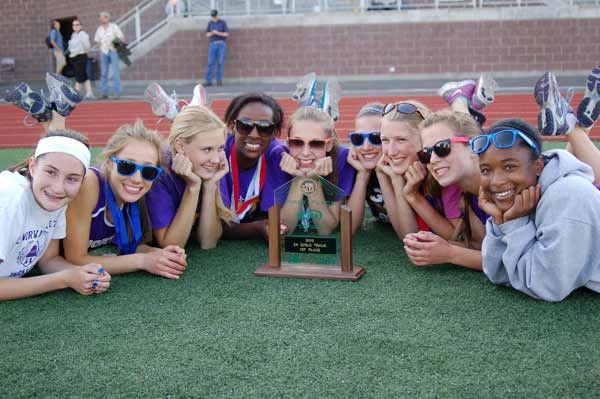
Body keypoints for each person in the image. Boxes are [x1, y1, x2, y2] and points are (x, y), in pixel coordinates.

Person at [474, 119, 600, 301]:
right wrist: (500, 219)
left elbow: (548, 286)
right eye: (486, 170)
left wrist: (514, 224)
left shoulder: (567, 195)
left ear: (538, 166)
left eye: (509, 167)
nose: (496, 181)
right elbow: (497, 272)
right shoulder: (523, 197)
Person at [63, 120, 188, 280]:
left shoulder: (135, 196)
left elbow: (127, 245)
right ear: (109, 163)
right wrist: (142, 261)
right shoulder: (90, 184)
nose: (137, 179)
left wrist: (160, 254)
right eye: (127, 166)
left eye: (149, 171)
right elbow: (75, 258)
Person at [0, 128, 111, 301]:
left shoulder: (56, 199)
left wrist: (79, 273)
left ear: (82, 182)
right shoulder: (8, 200)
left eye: (72, 178)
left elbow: (49, 260)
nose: (58, 187)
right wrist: (62, 279)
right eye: (50, 172)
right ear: (33, 166)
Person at [146, 105, 233, 249]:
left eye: (220, 148)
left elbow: (208, 242)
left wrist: (210, 186)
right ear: (180, 146)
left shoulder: (210, 167)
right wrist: (192, 188)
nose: (217, 160)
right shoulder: (159, 173)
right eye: (207, 149)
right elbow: (171, 245)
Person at [219, 93, 290, 240]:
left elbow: (273, 217)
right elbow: (219, 227)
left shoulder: (277, 157)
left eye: (265, 128)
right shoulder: (218, 155)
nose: (254, 134)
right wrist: (257, 228)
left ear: (275, 132)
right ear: (232, 126)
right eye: (245, 125)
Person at [279, 107, 356, 235]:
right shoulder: (279, 158)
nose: (305, 153)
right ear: (288, 143)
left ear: (329, 144)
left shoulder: (341, 158)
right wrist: (299, 178)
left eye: (316, 144)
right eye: (297, 142)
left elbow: (325, 229)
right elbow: (285, 229)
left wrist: (313, 179)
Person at [94, 12, 124, 99]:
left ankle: (117, 93)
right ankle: (104, 93)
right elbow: (97, 40)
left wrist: (115, 45)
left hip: (113, 51)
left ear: (107, 18)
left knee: (116, 72)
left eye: (102, 17)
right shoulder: (99, 29)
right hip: (103, 52)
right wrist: (101, 45)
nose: (100, 19)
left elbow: (121, 37)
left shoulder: (114, 27)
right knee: (104, 73)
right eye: (100, 17)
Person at [68, 19, 94, 100]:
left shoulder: (83, 34)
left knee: (79, 76)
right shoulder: (73, 35)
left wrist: (84, 52)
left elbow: (87, 46)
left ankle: (75, 94)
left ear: (81, 26)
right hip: (74, 57)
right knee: (83, 75)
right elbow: (71, 47)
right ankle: (89, 92)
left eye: (77, 24)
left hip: (81, 56)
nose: (75, 26)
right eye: (73, 25)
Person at [203, 9, 229, 87]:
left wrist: (217, 33)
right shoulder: (210, 23)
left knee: (220, 62)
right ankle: (209, 81)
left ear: (217, 15)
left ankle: (219, 80)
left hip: (221, 44)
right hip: (212, 44)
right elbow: (207, 34)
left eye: (215, 16)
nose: (214, 18)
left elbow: (226, 34)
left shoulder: (222, 22)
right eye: (212, 16)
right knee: (210, 62)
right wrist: (212, 33)